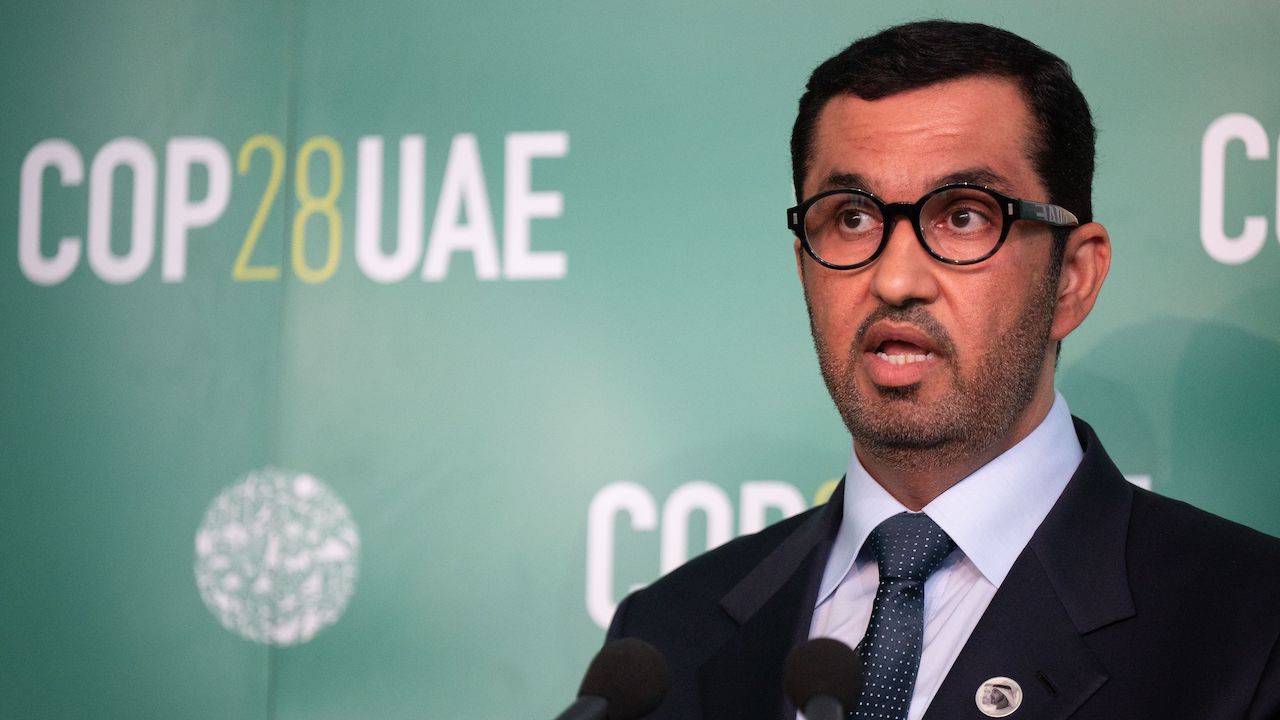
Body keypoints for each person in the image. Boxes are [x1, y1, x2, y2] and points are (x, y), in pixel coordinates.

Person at [605, 19, 1280, 720]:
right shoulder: (664, 637)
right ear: (805, 265)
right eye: (853, 219)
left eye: (963, 216)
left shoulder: (1250, 625)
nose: (895, 278)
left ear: (1073, 278)